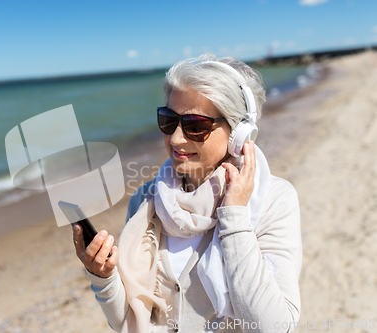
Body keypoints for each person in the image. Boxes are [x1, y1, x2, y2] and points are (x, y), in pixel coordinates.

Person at [72, 53, 302, 333]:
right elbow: (130, 322)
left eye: (196, 126)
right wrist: (103, 278)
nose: (176, 138)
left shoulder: (273, 200)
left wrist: (235, 217)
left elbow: (274, 327)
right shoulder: (146, 201)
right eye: (168, 120)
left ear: (239, 134)